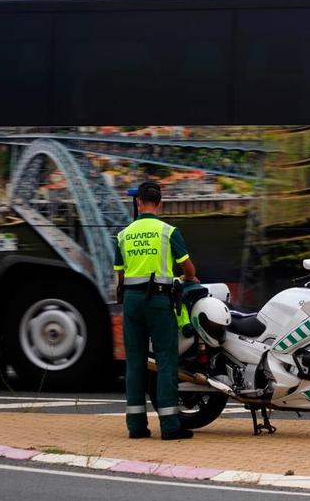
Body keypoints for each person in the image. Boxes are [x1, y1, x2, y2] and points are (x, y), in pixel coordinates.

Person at [114, 181, 198, 440]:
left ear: (138, 203)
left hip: (131, 302)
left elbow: (120, 277)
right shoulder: (168, 232)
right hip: (159, 302)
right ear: (159, 204)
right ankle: (171, 426)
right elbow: (189, 270)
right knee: (165, 361)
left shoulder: (123, 235)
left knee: (136, 363)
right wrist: (189, 280)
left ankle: (136, 427)